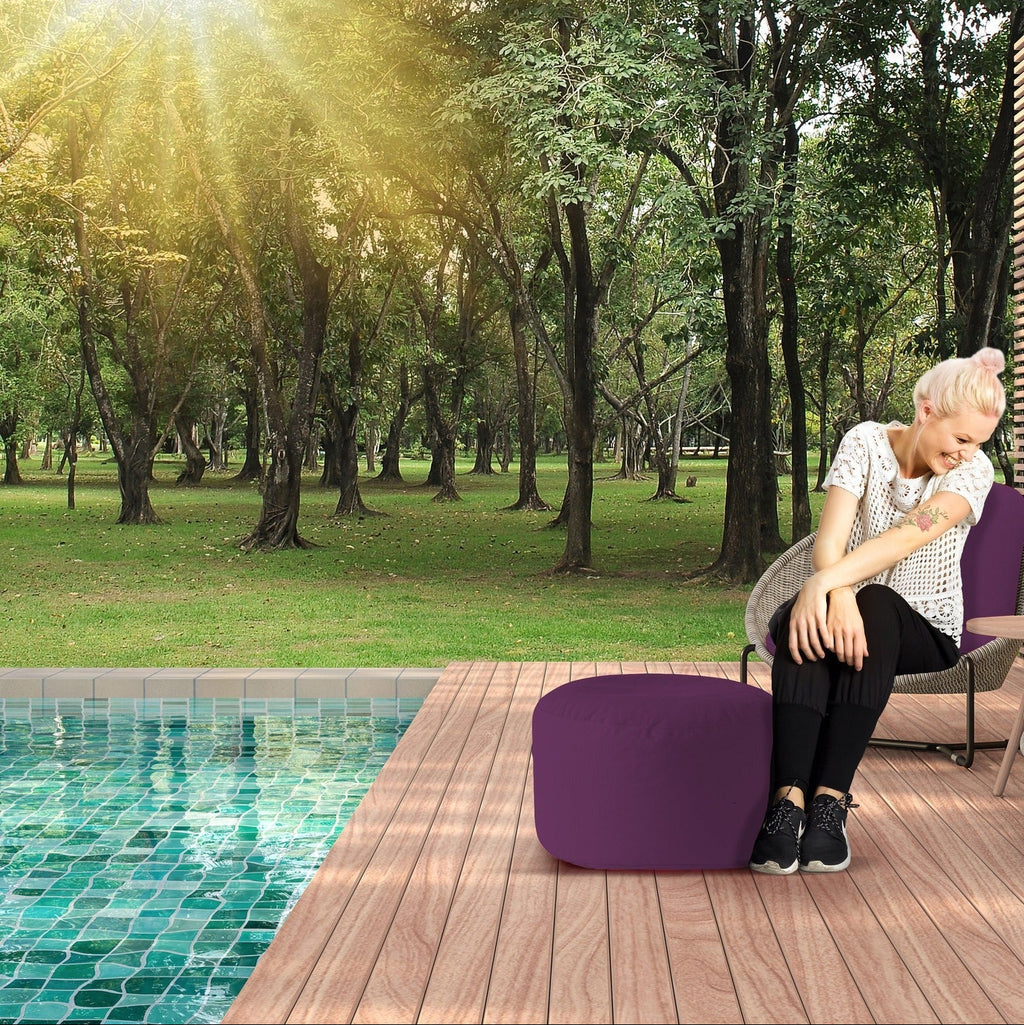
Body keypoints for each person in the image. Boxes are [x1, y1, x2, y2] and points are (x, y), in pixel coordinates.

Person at [749, 347, 1006, 875]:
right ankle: (788, 804)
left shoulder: (973, 473)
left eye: (978, 443)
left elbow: (904, 538)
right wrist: (836, 592)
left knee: (876, 603)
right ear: (926, 411)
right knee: (812, 619)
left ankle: (829, 802)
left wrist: (828, 584)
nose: (968, 453)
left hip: (923, 627)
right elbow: (830, 540)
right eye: (962, 439)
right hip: (845, 607)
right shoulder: (864, 442)